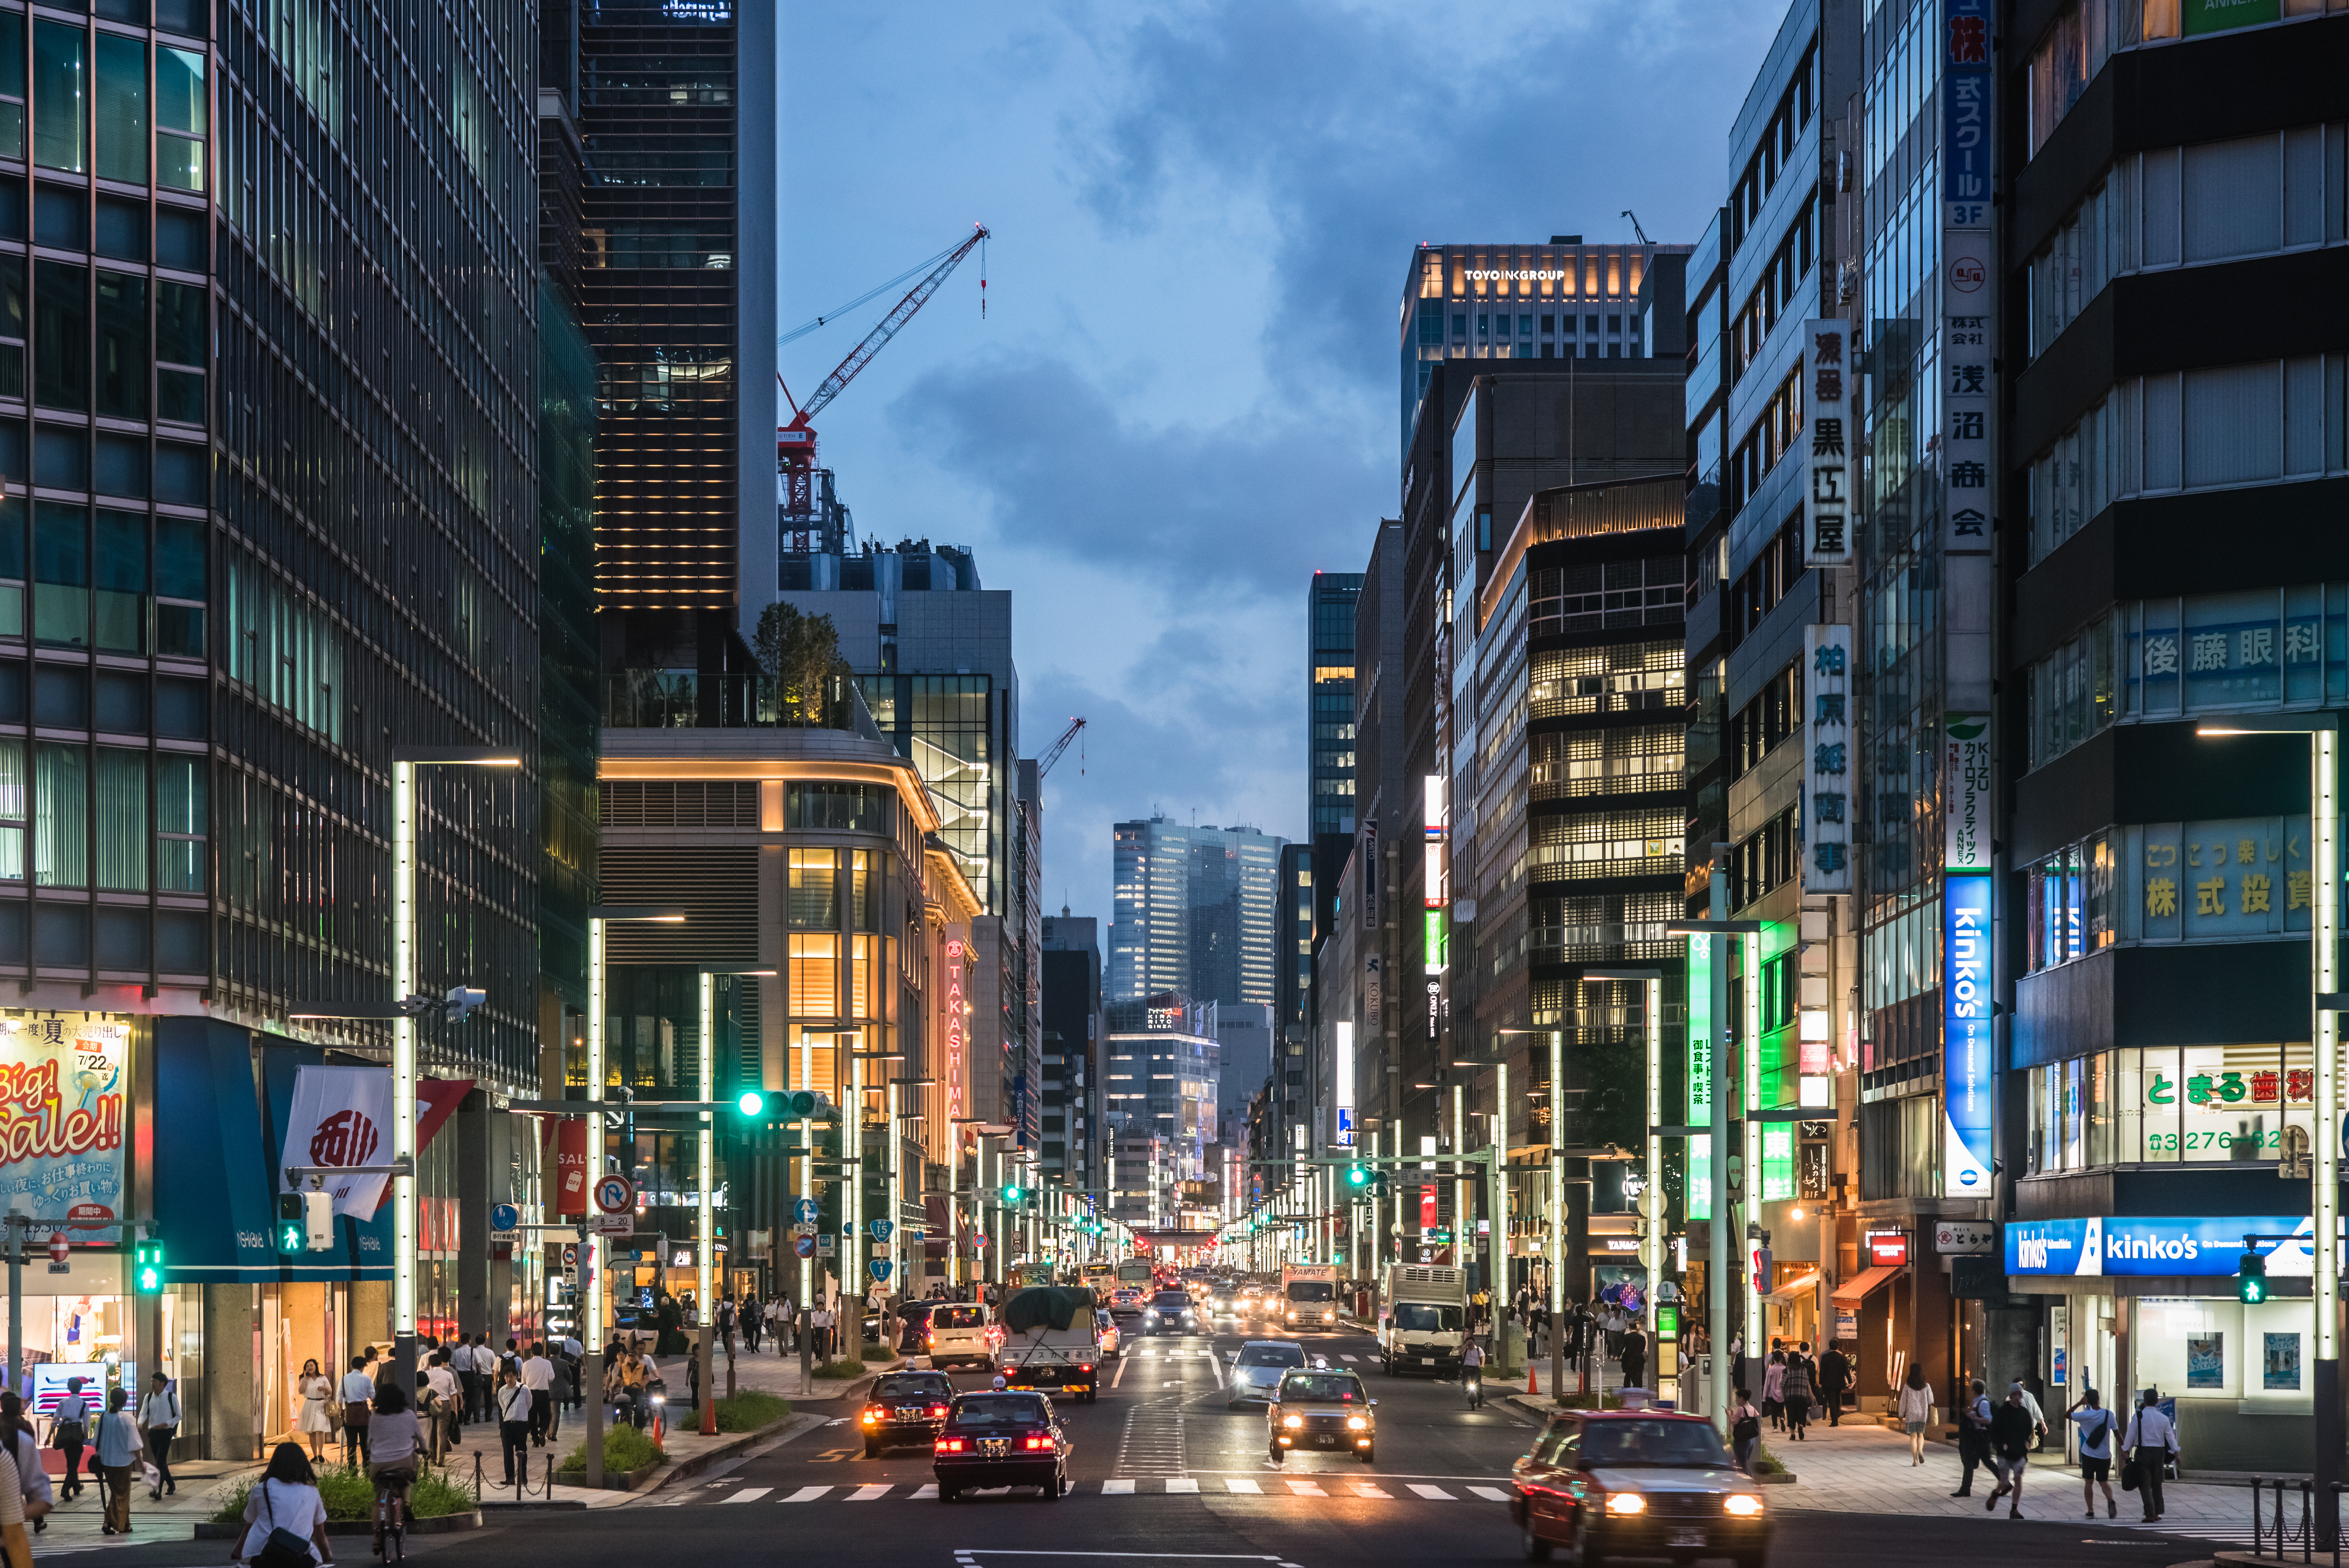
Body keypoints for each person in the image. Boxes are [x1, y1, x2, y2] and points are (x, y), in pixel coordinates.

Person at [232, 1442, 334, 1567]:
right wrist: (327, 1556)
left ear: (274, 1464)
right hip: (298, 1558)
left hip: (260, 1556)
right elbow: (320, 1533)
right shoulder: (312, 1493)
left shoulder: (261, 1489)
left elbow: (250, 1524)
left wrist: (238, 1552)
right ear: (303, 1466)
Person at [2122, 1388, 2178, 1524]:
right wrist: (2176, 1451)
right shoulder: (2164, 1419)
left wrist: (2126, 1450)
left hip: (2143, 1452)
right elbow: (2171, 1438)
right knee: (2157, 1483)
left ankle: (2149, 1514)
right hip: (2159, 1453)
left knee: (2144, 1484)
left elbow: (2130, 1435)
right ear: (2158, 1401)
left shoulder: (2138, 1417)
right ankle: (2158, 1513)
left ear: (2144, 1401)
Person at [1983, 1383, 2037, 1518]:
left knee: (2018, 1479)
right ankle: (1997, 1493)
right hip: (2005, 1452)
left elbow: (2027, 1432)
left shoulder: (2024, 1413)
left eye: (2019, 1395)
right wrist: (2001, 1444)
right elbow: (1995, 1431)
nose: (2017, 1397)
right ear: (2011, 1395)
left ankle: (2014, 1509)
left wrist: (2027, 1445)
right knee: (2003, 1481)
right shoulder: (2002, 1412)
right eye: (2015, 1395)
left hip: (2019, 1452)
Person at [94, 1386, 142, 1536]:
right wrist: (142, 1464)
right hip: (123, 1462)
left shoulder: (103, 1417)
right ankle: (108, 1523)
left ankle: (126, 1524)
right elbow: (135, 1445)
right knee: (121, 1495)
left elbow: (96, 1441)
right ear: (126, 1402)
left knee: (117, 1493)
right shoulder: (128, 1419)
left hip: (107, 1461)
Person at [1, 1392, 51, 1535]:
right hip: (19, 1473)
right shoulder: (24, 1431)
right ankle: (37, 1521)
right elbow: (44, 1500)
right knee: (29, 1495)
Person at [2068, 1387, 2120, 1520]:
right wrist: (2125, 1450)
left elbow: (2067, 1415)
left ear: (2087, 1401)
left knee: (2089, 1482)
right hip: (2105, 1455)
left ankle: (2090, 1511)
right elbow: (2117, 1434)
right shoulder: (2109, 1414)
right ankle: (2110, 1499)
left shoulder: (2085, 1415)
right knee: (2104, 1483)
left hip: (2088, 1454)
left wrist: (2080, 1403)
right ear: (2098, 1399)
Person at [139, 1372, 183, 1497]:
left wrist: (166, 1424)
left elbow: (179, 1416)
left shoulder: (171, 1397)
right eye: (152, 1382)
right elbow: (143, 1413)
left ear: (162, 1383)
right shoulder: (148, 1397)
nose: (152, 1384)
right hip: (153, 1433)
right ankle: (171, 1484)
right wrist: (140, 1424)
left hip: (166, 1433)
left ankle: (157, 1490)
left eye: (154, 1382)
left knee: (159, 1462)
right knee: (161, 1462)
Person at [1951, 1378, 1992, 1497]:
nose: (1969, 1391)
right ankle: (1965, 1489)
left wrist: (1974, 1418)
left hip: (1978, 1437)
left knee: (1976, 1462)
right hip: (1974, 1437)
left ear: (1974, 1390)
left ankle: (2003, 1482)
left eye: (1971, 1388)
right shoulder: (1977, 1402)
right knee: (1970, 1463)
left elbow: (1988, 1420)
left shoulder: (1983, 1402)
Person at [51, 1376, 90, 1501]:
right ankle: (65, 1490)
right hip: (77, 1434)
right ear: (81, 1389)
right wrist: (84, 1435)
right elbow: (87, 1424)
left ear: (68, 1388)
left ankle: (77, 1487)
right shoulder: (84, 1404)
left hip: (65, 1434)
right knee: (74, 1464)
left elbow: (56, 1421)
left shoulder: (62, 1403)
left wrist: (49, 1436)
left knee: (71, 1463)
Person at [494, 1365, 533, 1488]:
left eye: (511, 1376)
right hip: (507, 1425)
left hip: (521, 1425)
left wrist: (521, 1415)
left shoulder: (525, 1389)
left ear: (516, 1376)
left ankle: (523, 1477)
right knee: (507, 1452)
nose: (509, 1379)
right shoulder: (502, 1391)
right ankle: (510, 1478)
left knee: (522, 1452)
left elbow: (529, 1405)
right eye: (506, 1376)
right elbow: (503, 1406)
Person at [338, 1355, 374, 1466]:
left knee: (351, 1444)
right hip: (364, 1414)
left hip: (349, 1415)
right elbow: (373, 1396)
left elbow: (339, 1398)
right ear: (363, 1367)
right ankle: (367, 1468)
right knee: (365, 1443)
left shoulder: (344, 1379)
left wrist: (341, 1411)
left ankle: (352, 1469)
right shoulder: (367, 1379)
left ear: (352, 1366)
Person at [1896, 1364, 1935, 1466]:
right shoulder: (1926, 1386)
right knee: (1921, 1435)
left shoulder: (1907, 1386)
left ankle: (1915, 1460)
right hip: (1923, 1414)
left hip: (1911, 1414)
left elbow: (1903, 1401)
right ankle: (1921, 1451)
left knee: (1913, 1436)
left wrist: (1901, 1415)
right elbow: (1931, 1401)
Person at [521, 1342, 555, 1446]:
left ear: (531, 1352)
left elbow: (523, 1382)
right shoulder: (547, 1363)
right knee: (546, 1415)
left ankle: (535, 1439)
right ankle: (543, 1431)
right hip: (543, 1393)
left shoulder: (526, 1364)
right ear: (543, 1351)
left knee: (532, 1417)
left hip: (530, 1393)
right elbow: (552, 1378)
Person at [1780, 1345, 1814, 1441]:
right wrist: (1812, 1396)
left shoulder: (1787, 1370)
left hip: (1790, 1397)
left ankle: (1793, 1435)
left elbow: (1783, 1385)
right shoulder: (1804, 1370)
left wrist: (1784, 1392)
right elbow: (1807, 1384)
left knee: (1791, 1415)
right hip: (1802, 1397)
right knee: (1802, 1414)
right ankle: (1801, 1425)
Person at [1728, 1386, 1764, 1475]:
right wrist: (1733, 1413)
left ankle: (1750, 1483)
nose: (1736, 1401)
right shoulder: (1752, 1408)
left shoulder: (1741, 1409)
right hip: (1751, 1440)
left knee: (1741, 1466)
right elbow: (1746, 1420)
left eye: (1737, 1399)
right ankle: (1750, 1481)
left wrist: (1728, 1415)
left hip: (1741, 1441)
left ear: (1741, 1398)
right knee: (1745, 1464)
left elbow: (1734, 1422)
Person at [1816, 1342, 1852, 1427]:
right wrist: (1850, 1380)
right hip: (1839, 1382)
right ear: (1838, 1347)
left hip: (1828, 1383)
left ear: (1830, 1347)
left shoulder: (1825, 1357)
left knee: (1831, 1401)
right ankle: (1836, 1416)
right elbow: (1846, 1370)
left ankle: (1834, 1421)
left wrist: (1821, 1382)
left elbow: (1822, 1371)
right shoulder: (1842, 1358)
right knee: (1837, 1399)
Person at [1760, 1351, 1786, 1431]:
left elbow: (1767, 1383)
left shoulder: (1771, 1369)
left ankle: (1775, 1427)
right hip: (1782, 1394)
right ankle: (1782, 1418)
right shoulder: (1785, 1369)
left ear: (1774, 1359)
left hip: (1773, 1394)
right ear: (1782, 1359)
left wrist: (1764, 1397)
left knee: (1774, 1410)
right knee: (1781, 1409)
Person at [1619, 1320, 1649, 1390]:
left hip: (1628, 1359)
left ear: (1630, 1328)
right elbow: (1643, 1348)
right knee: (1638, 1376)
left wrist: (1617, 1356)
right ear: (1636, 1328)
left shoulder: (1627, 1336)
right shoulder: (1642, 1337)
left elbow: (1622, 1347)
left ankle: (1627, 1390)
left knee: (1628, 1375)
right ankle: (1638, 1389)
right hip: (1639, 1359)